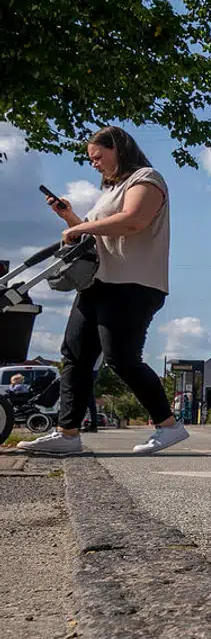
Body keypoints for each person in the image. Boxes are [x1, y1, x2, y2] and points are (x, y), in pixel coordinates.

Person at [19, 126, 186, 456]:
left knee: (121, 358)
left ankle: (169, 426)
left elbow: (132, 222)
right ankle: (67, 434)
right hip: (98, 282)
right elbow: (98, 239)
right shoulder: (111, 190)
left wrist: (80, 226)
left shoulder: (146, 179)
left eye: (97, 156)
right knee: (75, 354)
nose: (93, 163)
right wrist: (71, 218)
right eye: (90, 159)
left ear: (118, 149)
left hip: (133, 284)